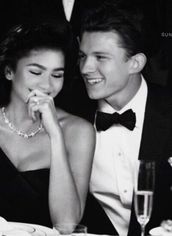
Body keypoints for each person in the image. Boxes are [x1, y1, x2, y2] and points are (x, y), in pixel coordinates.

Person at [0, 21, 95, 227]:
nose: (47, 85)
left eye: (57, 75)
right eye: (35, 72)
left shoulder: (78, 131)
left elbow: (66, 225)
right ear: (9, 72)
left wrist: (55, 135)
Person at [78, 4, 172, 236]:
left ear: (135, 63)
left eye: (100, 57)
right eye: (82, 56)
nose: (86, 68)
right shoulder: (71, 115)